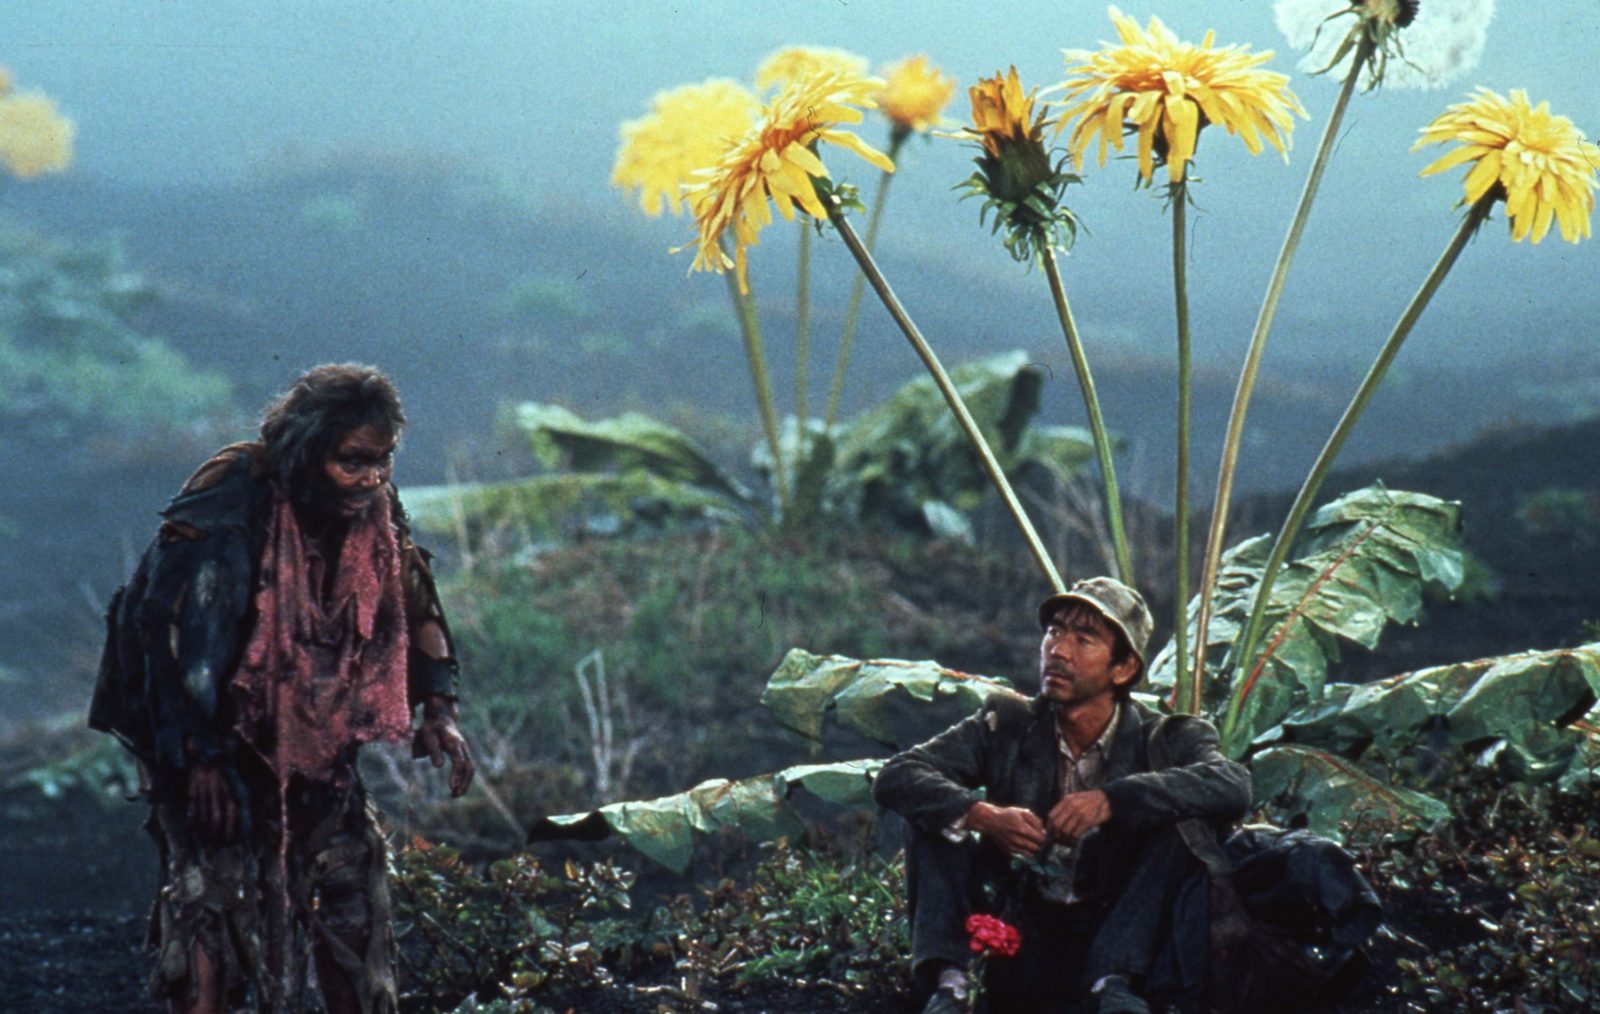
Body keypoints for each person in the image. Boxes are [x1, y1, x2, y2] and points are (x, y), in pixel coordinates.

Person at [89, 363, 475, 1014]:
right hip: (200, 724)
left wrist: (438, 706)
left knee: (349, 884)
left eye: (381, 461)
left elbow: (411, 597)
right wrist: (201, 761)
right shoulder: (229, 497)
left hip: (315, 728)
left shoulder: (372, 508)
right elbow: (176, 637)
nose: (372, 477)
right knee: (214, 897)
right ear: (309, 449)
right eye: (353, 461)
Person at [873, 576, 1252, 1014]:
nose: (1059, 650)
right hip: (1021, 930)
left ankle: (1116, 984)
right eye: (1054, 632)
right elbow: (898, 775)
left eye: (1084, 640)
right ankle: (953, 986)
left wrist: (1113, 800)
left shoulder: (1164, 737)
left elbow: (1233, 784)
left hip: (1117, 934)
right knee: (934, 813)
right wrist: (983, 816)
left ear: (1123, 668)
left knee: (1183, 822)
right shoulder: (1007, 724)